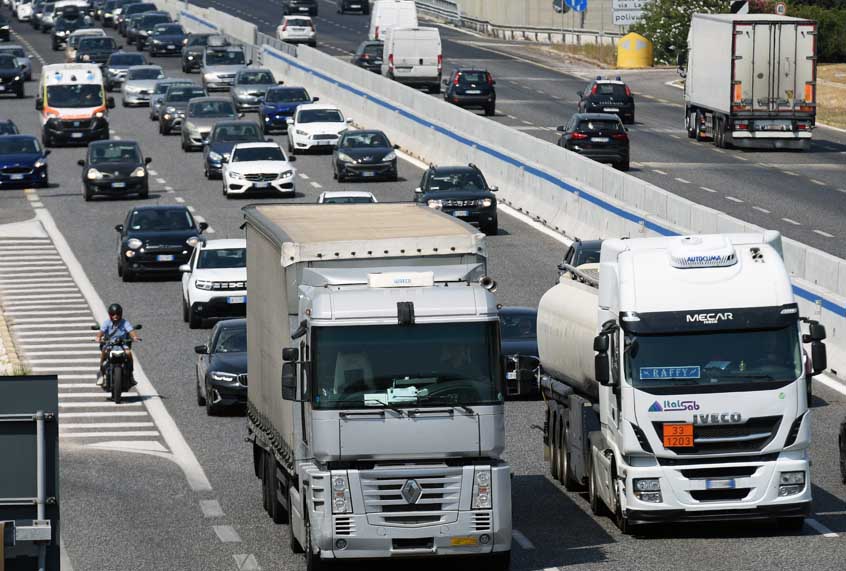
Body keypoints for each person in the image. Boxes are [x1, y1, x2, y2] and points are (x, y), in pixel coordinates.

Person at [95, 303, 140, 387]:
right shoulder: (106, 323)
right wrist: (98, 337)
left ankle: (130, 375)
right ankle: (101, 372)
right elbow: (101, 332)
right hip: (109, 344)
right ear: (110, 315)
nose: (115, 316)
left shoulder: (125, 322)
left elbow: (131, 330)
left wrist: (135, 337)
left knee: (128, 353)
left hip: (122, 344)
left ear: (121, 314)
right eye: (113, 314)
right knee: (104, 352)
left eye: (117, 314)